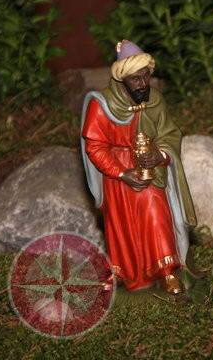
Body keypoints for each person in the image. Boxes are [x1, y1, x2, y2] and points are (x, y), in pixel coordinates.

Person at [80, 40, 198, 294]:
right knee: (123, 225)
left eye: (146, 76)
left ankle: (166, 270)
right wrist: (122, 173)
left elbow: (169, 134)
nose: (143, 84)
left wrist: (160, 155)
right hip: (117, 175)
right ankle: (127, 273)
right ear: (121, 78)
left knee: (156, 214)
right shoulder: (101, 105)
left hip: (149, 171)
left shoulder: (155, 100)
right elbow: (95, 146)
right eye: (136, 79)